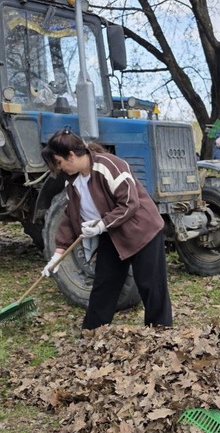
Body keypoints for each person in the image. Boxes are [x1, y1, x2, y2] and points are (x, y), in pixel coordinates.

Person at [41, 128, 173, 331]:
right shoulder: (73, 183)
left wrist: (101, 225)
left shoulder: (109, 165)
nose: (59, 169)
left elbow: (130, 203)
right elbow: (70, 217)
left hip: (142, 231)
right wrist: (57, 255)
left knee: (150, 285)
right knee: (104, 285)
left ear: (72, 155)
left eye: (58, 162)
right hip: (111, 235)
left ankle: (161, 333)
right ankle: (92, 333)